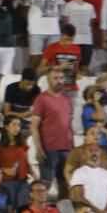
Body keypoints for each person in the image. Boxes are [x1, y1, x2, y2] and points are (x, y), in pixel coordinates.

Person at [30, 68, 73, 198]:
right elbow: (34, 126)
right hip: (49, 148)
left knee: (65, 183)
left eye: (61, 78)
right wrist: (38, 148)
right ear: (48, 80)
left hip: (66, 148)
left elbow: (69, 124)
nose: (59, 81)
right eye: (55, 78)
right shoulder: (41, 99)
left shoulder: (66, 99)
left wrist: (73, 147)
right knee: (45, 184)